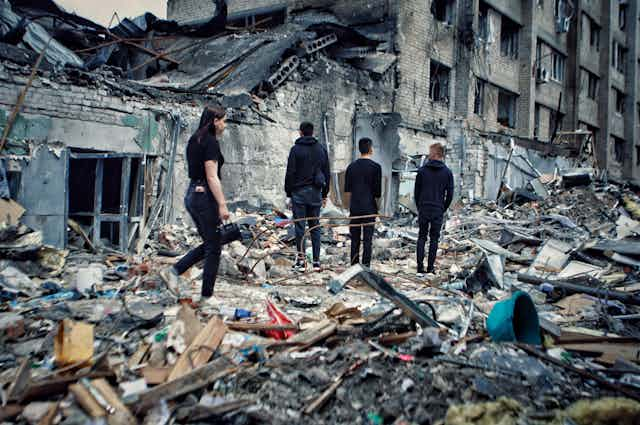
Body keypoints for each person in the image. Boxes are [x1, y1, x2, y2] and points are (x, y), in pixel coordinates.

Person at [161, 106, 230, 299]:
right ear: (215, 121)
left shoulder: (195, 139)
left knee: (210, 243)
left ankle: (174, 271)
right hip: (204, 196)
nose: (225, 125)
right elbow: (211, 176)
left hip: (193, 193)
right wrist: (222, 204)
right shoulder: (210, 143)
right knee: (214, 247)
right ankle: (206, 296)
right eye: (223, 120)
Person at [285, 121, 330, 272]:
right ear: (312, 132)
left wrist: (288, 193)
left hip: (299, 194)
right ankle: (316, 262)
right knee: (315, 227)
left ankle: (301, 261)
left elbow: (290, 173)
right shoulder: (321, 150)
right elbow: (327, 173)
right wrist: (325, 194)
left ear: (301, 132)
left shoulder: (295, 150)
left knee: (299, 228)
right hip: (316, 193)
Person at [414, 142, 454, 276]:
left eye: (430, 152)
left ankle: (420, 267)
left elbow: (416, 192)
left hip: (424, 207)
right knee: (434, 239)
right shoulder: (447, 172)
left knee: (421, 237)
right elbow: (450, 194)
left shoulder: (422, 170)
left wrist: (419, 206)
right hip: (438, 208)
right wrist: (443, 207)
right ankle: (430, 268)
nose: (428, 154)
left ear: (436, 154)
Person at [344, 138, 382, 267]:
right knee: (367, 240)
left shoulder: (351, 167)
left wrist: (351, 207)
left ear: (359, 149)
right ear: (371, 149)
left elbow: (348, 191)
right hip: (369, 209)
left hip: (355, 208)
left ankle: (354, 266)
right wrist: (378, 209)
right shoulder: (376, 168)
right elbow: (377, 193)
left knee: (354, 239)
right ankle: (366, 267)